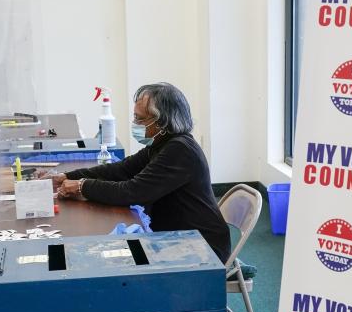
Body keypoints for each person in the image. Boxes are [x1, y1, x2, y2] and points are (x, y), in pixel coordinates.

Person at [50, 83, 231, 263]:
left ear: (162, 122)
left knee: (112, 260)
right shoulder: (161, 144)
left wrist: (82, 186)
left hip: (201, 245)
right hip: (178, 235)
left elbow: (131, 191)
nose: (135, 124)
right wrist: (68, 176)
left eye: (140, 119)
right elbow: (122, 169)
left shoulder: (179, 150)